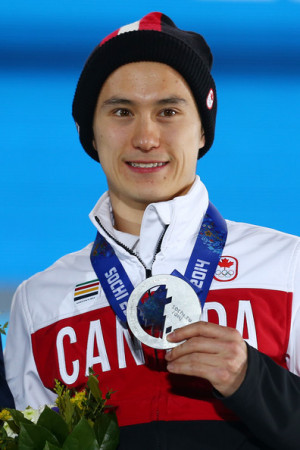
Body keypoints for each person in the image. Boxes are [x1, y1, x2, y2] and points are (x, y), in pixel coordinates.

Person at [4, 12, 300, 449]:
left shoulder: (288, 267)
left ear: (202, 129)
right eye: (122, 111)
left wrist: (251, 379)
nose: (145, 137)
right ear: (91, 134)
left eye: (168, 111)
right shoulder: (39, 304)